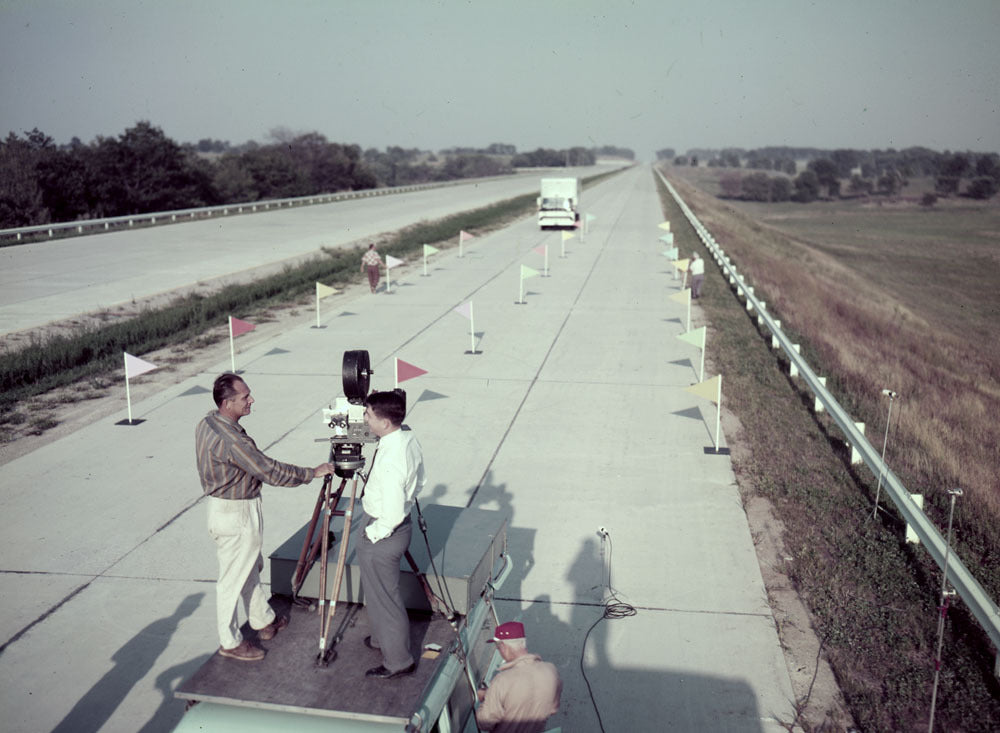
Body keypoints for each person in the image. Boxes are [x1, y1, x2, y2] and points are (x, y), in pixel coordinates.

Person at [195, 373, 335, 662]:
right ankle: (229, 641)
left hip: (227, 509)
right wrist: (310, 473)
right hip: (236, 512)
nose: (251, 400)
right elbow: (268, 470)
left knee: (249, 568)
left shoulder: (208, 422)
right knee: (232, 580)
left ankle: (262, 620)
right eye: (245, 397)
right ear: (227, 403)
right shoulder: (232, 441)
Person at [357, 389, 426, 679]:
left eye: (368, 415)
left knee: (386, 599)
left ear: (385, 423)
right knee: (376, 591)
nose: (364, 419)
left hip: (384, 531)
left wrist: (374, 533)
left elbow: (394, 510)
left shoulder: (392, 459)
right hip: (390, 524)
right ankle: (380, 639)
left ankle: (398, 661)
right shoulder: (405, 437)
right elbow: (420, 481)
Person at [476, 621, 562, 733]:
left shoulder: (502, 681)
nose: (499, 651)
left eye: (497, 647)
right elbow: (553, 708)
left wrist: (488, 697)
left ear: (504, 646)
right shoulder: (551, 670)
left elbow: (484, 723)